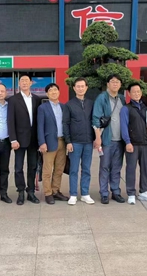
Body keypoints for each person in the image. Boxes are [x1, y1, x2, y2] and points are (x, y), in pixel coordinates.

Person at [8, 74, 42, 205]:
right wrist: (13, 139)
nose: (24, 83)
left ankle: (31, 192)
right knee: (18, 168)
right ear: (19, 83)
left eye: (26, 80)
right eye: (22, 80)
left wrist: (40, 140)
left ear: (31, 83)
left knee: (32, 167)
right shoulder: (13, 100)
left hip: (33, 140)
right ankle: (20, 192)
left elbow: (39, 121)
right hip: (19, 140)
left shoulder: (37, 99)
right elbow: (10, 121)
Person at [92, 74, 126, 204]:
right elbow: (96, 119)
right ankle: (104, 193)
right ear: (108, 84)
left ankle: (116, 191)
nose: (115, 84)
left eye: (117, 82)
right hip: (106, 139)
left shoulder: (122, 98)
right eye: (112, 81)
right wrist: (98, 138)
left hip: (120, 140)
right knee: (105, 167)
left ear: (120, 84)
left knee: (117, 167)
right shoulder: (102, 98)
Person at [120, 83, 147, 205]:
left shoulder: (146, 108)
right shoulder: (126, 108)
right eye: (134, 92)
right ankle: (131, 193)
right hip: (132, 144)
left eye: (138, 91)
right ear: (129, 93)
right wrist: (127, 142)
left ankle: (144, 191)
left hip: (145, 143)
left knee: (145, 168)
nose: (136, 93)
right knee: (131, 168)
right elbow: (124, 126)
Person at [63, 77, 95, 205]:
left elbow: (94, 121)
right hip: (75, 142)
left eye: (83, 86)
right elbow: (65, 124)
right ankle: (73, 194)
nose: (80, 88)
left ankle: (85, 194)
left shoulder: (91, 103)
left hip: (88, 142)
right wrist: (68, 141)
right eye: (78, 86)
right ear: (74, 88)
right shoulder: (69, 105)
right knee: (74, 169)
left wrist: (95, 138)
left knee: (86, 169)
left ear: (86, 88)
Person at [37, 83, 68, 204]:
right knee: (47, 170)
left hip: (62, 141)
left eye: (55, 90)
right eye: (50, 90)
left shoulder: (63, 107)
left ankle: (55, 191)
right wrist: (42, 143)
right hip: (49, 142)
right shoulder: (43, 108)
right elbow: (40, 126)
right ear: (47, 93)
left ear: (59, 92)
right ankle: (48, 193)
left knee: (59, 169)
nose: (53, 92)